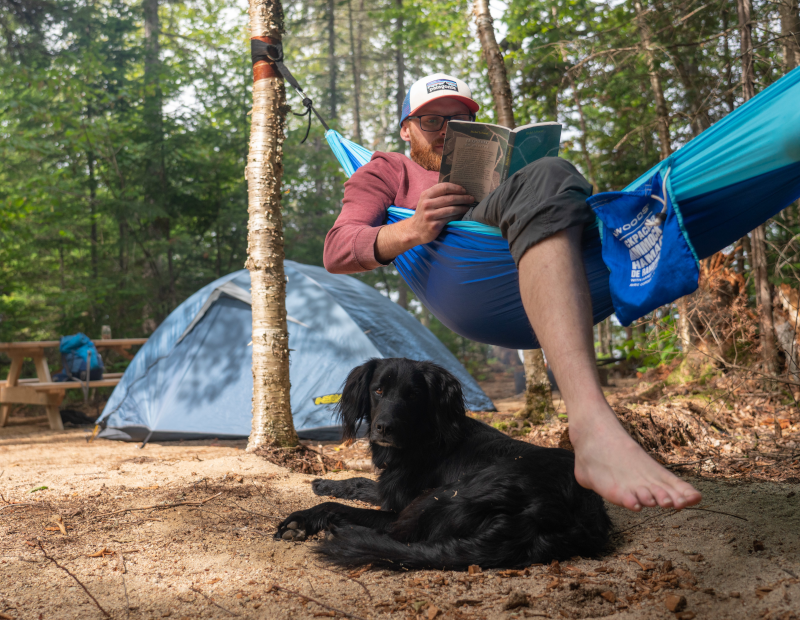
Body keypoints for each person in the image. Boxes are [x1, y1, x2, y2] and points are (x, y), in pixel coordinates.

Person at [324, 73, 702, 513]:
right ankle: (592, 425)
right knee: (550, 174)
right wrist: (413, 228)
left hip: (523, 263)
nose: (445, 130)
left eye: (459, 120)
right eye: (431, 120)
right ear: (406, 128)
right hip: (459, 273)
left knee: (553, 176)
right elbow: (337, 250)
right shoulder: (387, 169)